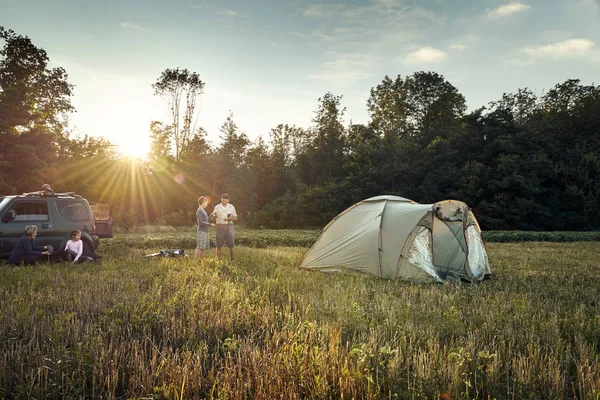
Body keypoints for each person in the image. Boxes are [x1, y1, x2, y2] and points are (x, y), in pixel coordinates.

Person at [209, 193, 237, 260]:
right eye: (223, 200)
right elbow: (213, 218)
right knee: (219, 244)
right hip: (219, 226)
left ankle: (232, 258)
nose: (224, 202)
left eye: (226, 201)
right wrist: (214, 216)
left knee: (231, 244)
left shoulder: (231, 207)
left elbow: (235, 218)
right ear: (221, 199)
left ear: (228, 200)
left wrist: (228, 219)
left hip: (229, 226)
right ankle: (219, 259)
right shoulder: (217, 207)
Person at [194, 196, 214, 261]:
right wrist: (210, 224)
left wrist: (211, 215)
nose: (207, 204)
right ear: (203, 202)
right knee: (200, 246)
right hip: (201, 231)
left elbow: (206, 220)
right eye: (206, 203)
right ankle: (195, 261)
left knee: (202, 247)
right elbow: (200, 222)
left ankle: (200, 261)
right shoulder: (199, 211)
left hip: (205, 231)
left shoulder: (203, 211)